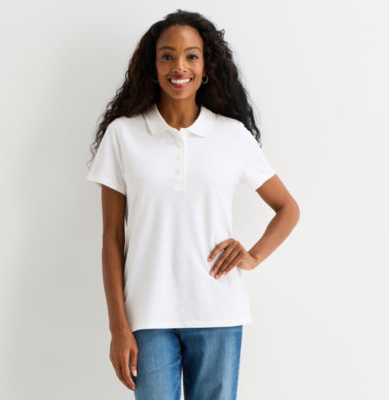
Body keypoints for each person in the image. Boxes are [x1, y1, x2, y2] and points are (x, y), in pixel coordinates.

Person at [86, 9, 300, 400]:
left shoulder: (232, 136)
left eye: (191, 56)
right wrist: (118, 327)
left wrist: (253, 256)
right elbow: (111, 239)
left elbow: (287, 208)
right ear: (153, 66)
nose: (179, 66)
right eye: (167, 56)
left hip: (219, 311)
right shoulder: (123, 135)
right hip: (147, 316)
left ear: (206, 67)